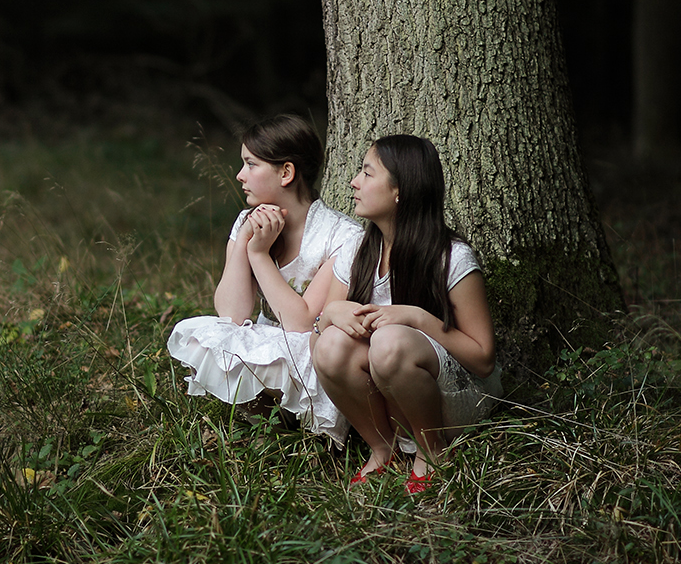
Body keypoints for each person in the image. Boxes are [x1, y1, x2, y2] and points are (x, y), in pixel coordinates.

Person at [311, 135, 501, 493]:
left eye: (367, 174)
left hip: (453, 399)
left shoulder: (451, 257)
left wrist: (418, 318)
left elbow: (484, 359)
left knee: (389, 341)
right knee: (331, 345)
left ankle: (432, 453)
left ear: (400, 190)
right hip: (392, 398)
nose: (354, 181)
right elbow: (317, 339)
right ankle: (384, 449)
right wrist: (332, 312)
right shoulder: (358, 248)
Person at [168, 115, 362, 443]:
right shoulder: (248, 221)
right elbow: (231, 314)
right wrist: (245, 240)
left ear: (286, 172)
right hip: (268, 341)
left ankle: (310, 434)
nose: (240, 175)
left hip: (313, 349)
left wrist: (259, 255)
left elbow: (301, 323)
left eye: (251, 164)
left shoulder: (342, 236)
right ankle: (270, 429)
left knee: (289, 347)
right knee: (207, 336)